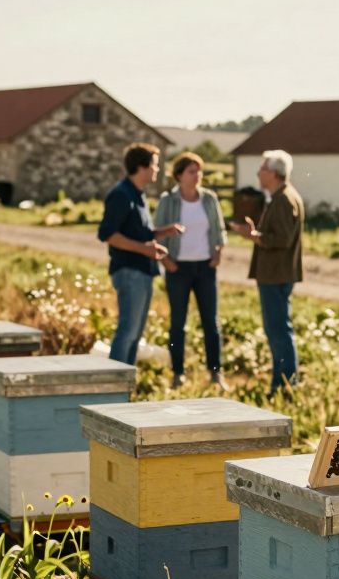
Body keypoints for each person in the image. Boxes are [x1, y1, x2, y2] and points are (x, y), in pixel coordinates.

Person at [231, 149, 304, 396]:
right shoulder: (282, 196)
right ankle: (283, 383)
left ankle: (283, 386)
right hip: (277, 273)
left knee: (278, 331)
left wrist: (253, 236)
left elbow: (281, 239)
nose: (258, 173)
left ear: (273, 173)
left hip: (276, 274)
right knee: (278, 329)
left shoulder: (283, 199)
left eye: (261, 169)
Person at [98, 142, 176, 365]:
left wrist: (161, 233)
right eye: (155, 165)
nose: (157, 170)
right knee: (127, 332)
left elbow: (137, 232)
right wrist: (146, 249)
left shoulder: (137, 195)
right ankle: (113, 386)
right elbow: (108, 234)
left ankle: (124, 386)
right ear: (142, 167)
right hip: (129, 272)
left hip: (142, 271)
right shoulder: (121, 195)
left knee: (135, 335)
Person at [154, 152, 228, 389]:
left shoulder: (209, 199)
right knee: (178, 322)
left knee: (211, 321)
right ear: (179, 175)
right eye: (191, 172)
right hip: (178, 268)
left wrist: (218, 252)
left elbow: (219, 230)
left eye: (199, 171)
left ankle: (216, 372)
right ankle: (177, 373)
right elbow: (157, 233)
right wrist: (167, 262)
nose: (197, 176)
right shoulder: (168, 201)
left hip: (205, 267)